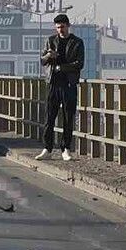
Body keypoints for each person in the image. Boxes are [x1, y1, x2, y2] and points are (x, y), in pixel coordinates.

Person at [36, 13, 85, 162]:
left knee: (68, 118)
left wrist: (60, 67)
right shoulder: (50, 41)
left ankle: (65, 149)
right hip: (53, 84)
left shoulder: (77, 42)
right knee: (49, 118)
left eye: (62, 27)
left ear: (68, 26)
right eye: (58, 28)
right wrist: (50, 56)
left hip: (69, 84)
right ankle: (47, 148)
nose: (60, 30)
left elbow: (79, 63)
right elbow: (42, 61)